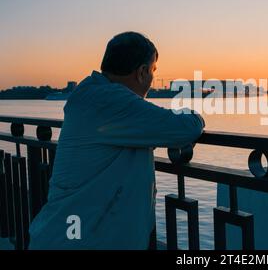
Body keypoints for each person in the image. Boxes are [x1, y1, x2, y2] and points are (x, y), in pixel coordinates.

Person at [28, 32, 205, 250]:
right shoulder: (111, 101)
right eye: (153, 71)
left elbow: (144, 129)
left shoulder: (93, 95)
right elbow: (184, 128)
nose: (151, 79)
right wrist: (194, 114)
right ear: (142, 72)